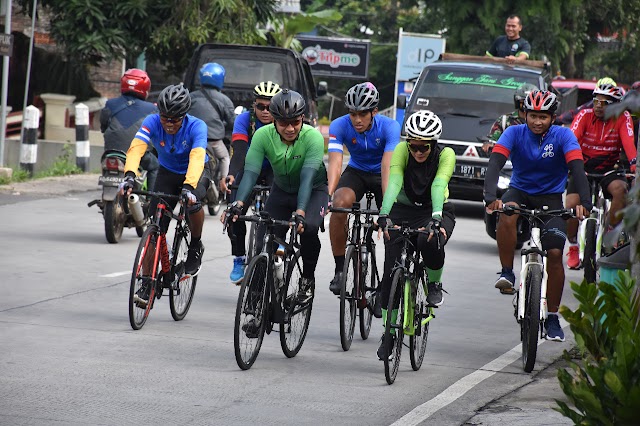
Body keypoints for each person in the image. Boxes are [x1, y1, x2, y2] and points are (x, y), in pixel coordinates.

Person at [484, 89, 592, 342]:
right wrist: (491, 197)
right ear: (524, 114)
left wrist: (584, 203)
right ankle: (507, 272)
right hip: (519, 191)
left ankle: (552, 316)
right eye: (532, 115)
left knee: (555, 254)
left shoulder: (563, 136)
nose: (537, 121)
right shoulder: (514, 132)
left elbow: (577, 169)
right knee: (507, 215)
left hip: (551, 198)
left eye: (543, 116)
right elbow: (495, 164)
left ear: (553, 117)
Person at [223, 89, 329, 313]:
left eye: (295, 122)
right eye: (283, 123)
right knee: (264, 244)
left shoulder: (313, 137)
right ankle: (254, 305)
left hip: (313, 189)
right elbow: (250, 172)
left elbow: (308, 177)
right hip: (281, 190)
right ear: (274, 120)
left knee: (308, 229)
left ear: (302, 119)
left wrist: (300, 211)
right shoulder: (263, 136)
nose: (290, 128)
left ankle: (307, 280)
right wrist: (238, 203)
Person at [119, 84, 210, 307]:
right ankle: (147, 282)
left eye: (175, 119)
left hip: (195, 172)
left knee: (193, 204)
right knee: (155, 226)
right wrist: (130, 175)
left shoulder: (197, 127)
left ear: (184, 115)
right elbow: (137, 148)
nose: (169, 123)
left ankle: (196, 245)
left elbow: (198, 157)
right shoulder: (151, 122)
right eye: (165, 118)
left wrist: (189, 187)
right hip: (167, 173)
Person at [375, 110, 456, 361]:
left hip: (435, 209)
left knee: (428, 240)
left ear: (433, 144)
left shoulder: (446, 154)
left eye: (424, 147)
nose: (418, 152)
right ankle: (388, 333)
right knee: (391, 270)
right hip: (402, 209)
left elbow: (438, 185)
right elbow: (395, 181)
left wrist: (435, 219)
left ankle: (434, 283)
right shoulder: (402, 150)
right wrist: (384, 214)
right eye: (414, 146)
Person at [327, 82, 400, 303]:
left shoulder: (390, 127)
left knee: (393, 225)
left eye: (362, 114)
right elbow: (336, 164)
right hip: (357, 171)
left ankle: (387, 284)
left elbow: (388, 167)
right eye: (352, 113)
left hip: (381, 173)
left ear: (374, 112)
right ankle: (340, 270)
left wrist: (386, 210)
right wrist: (329, 195)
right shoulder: (339, 125)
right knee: (340, 204)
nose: (357, 120)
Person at [565, 83, 637, 269]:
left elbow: (629, 145)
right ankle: (573, 246)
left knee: (621, 190)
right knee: (571, 205)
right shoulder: (585, 115)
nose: (598, 105)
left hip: (609, 168)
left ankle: (610, 231)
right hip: (584, 167)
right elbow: (571, 139)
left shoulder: (623, 118)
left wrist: (635, 164)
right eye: (596, 101)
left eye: (604, 103)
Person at [224, 81, 281, 284]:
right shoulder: (245, 120)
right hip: (250, 167)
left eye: (270, 107)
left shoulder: (284, 121)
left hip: (276, 169)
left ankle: (280, 244)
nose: (265, 112)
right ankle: (239, 258)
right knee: (234, 213)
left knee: (282, 207)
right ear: (253, 105)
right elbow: (239, 150)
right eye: (261, 107)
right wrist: (231, 174)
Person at [100, 68, 159, 191]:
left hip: (111, 151)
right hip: (139, 154)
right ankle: (152, 201)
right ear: (145, 88)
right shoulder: (152, 109)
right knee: (155, 166)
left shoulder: (110, 104)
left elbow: (103, 126)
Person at [189, 62, 236, 193]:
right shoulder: (224, 100)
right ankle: (223, 183)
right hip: (213, 141)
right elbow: (232, 122)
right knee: (225, 158)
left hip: (191, 140)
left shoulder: (191, 96)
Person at [482, 83, 538, 153]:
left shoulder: (542, 122)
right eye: (524, 102)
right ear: (517, 102)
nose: (527, 105)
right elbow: (492, 140)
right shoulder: (504, 120)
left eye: (530, 102)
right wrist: (489, 144)